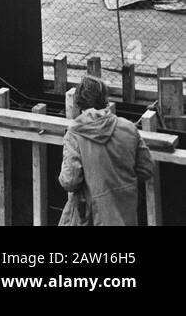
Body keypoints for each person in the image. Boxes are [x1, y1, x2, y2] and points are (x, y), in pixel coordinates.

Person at [58, 76, 154, 226]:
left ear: (78, 103)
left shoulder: (75, 134)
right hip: (125, 213)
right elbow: (146, 168)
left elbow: (70, 181)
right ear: (105, 100)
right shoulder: (128, 128)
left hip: (92, 217)